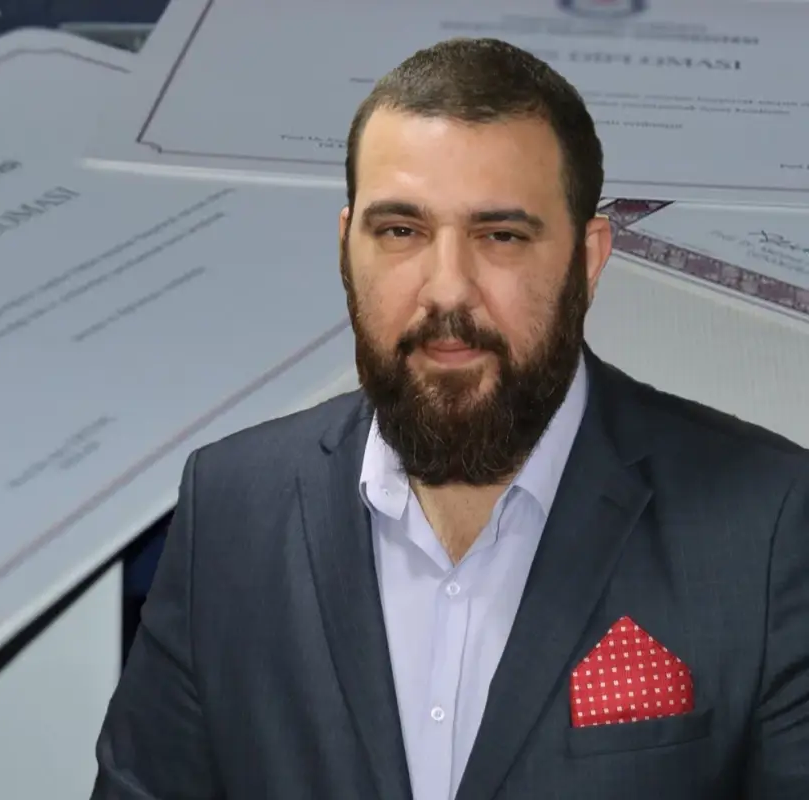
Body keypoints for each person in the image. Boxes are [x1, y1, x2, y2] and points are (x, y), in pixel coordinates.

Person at [90, 37, 809, 800]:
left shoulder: (767, 522)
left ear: (588, 259)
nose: (447, 291)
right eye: (401, 232)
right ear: (347, 248)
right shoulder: (230, 508)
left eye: (501, 236)